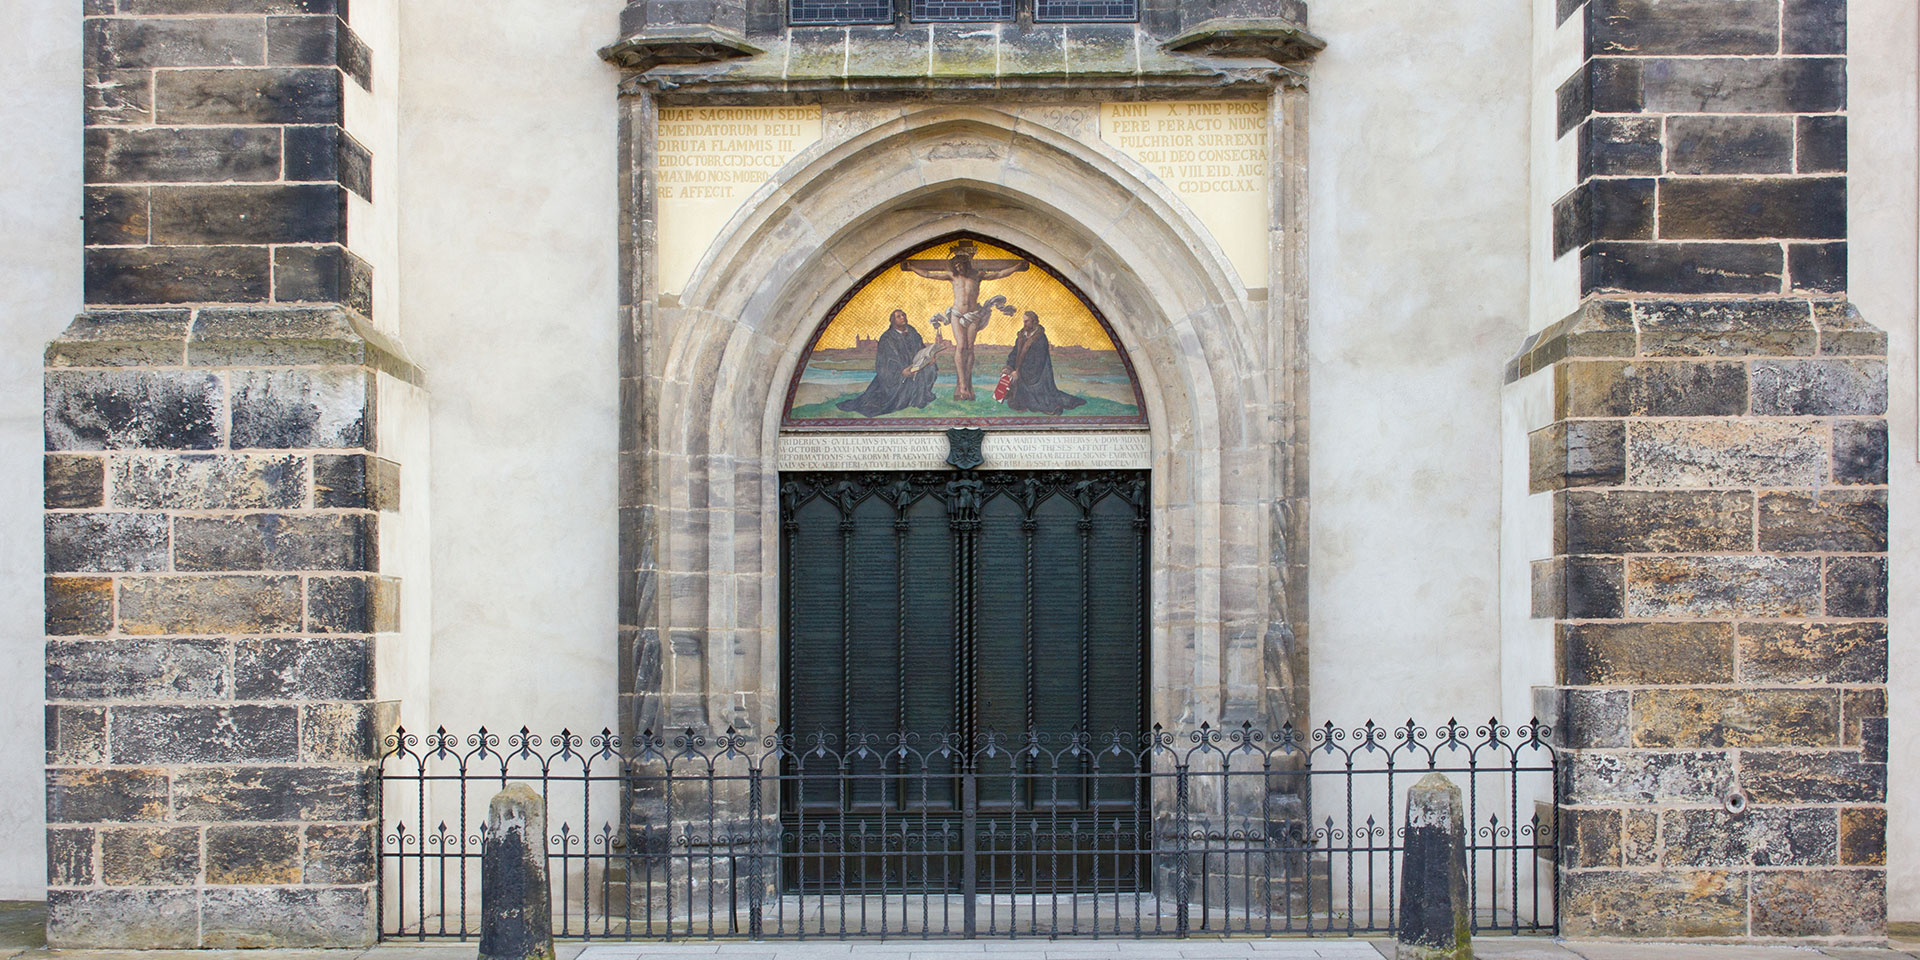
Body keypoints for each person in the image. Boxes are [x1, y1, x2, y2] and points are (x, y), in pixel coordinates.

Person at [900, 240, 1028, 401]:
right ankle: (962, 385)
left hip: (973, 314)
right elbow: (928, 274)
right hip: (957, 314)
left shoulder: (977, 275)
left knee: (970, 347)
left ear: (967, 264)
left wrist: (1016, 267)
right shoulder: (952, 276)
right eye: (957, 266)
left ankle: (968, 381)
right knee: (961, 347)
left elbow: (998, 274)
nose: (959, 268)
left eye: (962, 265)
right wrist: (911, 267)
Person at [836, 309, 941, 417]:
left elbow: (921, 349)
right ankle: (909, 399)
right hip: (895, 375)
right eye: (898, 316)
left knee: (931, 368)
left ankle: (921, 397)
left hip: (915, 367)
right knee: (882, 400)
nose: (902, 317)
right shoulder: (887, 338)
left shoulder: (912, 332)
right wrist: (902, 371)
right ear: (892, 321)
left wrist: (929, 358)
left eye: (903, 315)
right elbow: (885, 362)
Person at [1001, 311, 1088, 415]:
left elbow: (1038, 362)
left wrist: (1019, 372)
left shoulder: (1040, 339)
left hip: (1038, 376)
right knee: (1012, 393)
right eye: (1023, 321)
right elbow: (1014, 353)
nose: (1024, 324)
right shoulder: (1021, 336)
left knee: (1042, 403)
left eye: (1027, 321)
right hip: (1021, 371)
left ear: (1034, 321)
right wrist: (1009, 367)